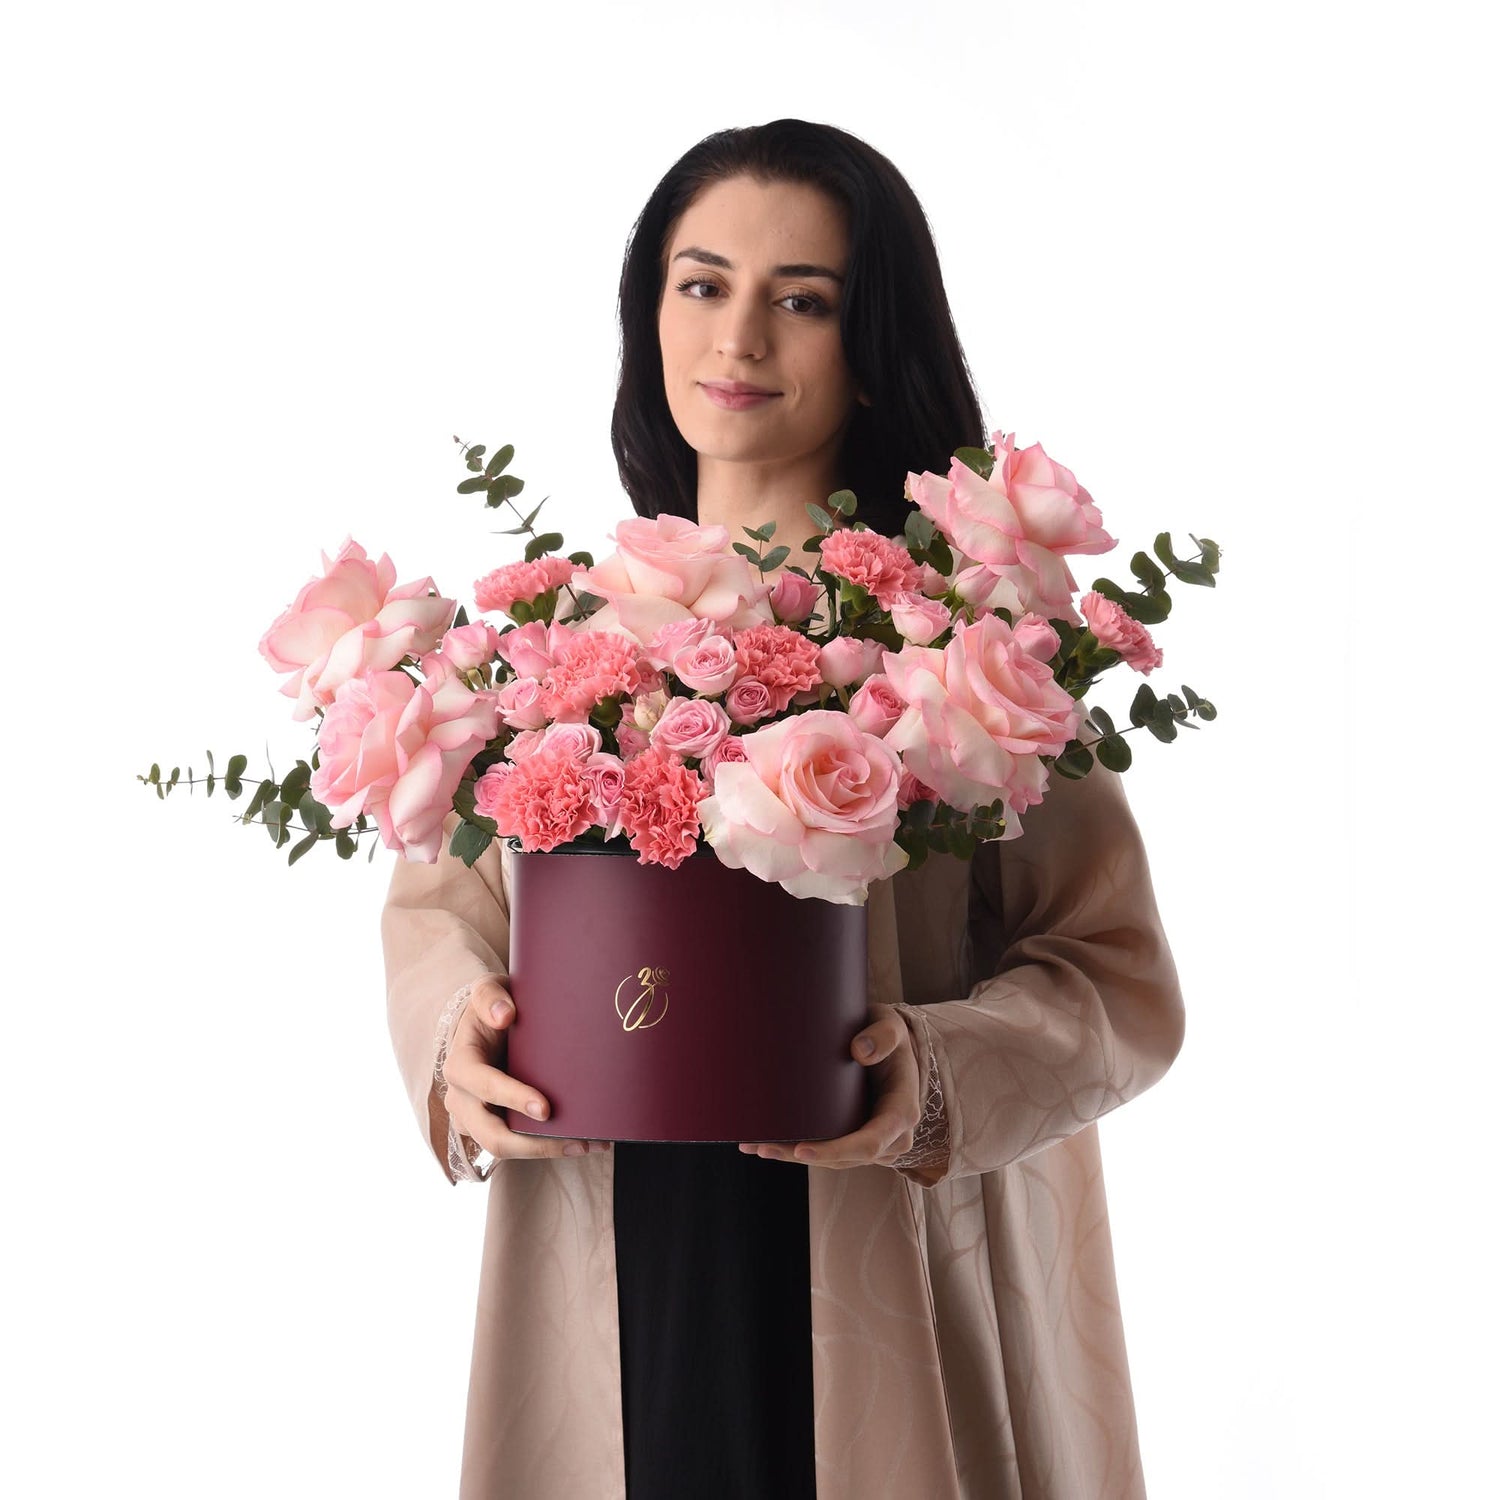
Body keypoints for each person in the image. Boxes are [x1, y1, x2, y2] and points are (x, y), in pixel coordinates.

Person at [381, 119, 1185, 1500]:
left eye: (801, 299)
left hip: (880, 1240)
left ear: (871, 343)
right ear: (649, 315)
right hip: (614, 1222)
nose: (739, 336)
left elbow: (1113, 980)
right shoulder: (553, 642)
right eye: (702, 284)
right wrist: (457, 1033)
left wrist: (931, 1072)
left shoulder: (971, 652)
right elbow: (443, 910)